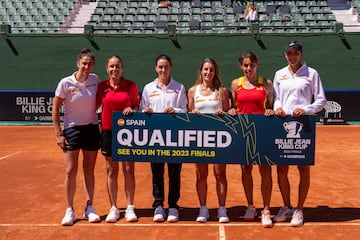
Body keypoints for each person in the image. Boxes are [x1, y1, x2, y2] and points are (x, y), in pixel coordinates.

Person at [272, 41, 327, 227]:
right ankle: (286, 206)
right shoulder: (280, 74)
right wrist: (278, 108)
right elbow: (276, 98)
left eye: (295, 53)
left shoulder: (311, 74)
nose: (292, 56)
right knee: (281, 169)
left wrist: (306, 109)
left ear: (301, 54)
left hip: (304, 125)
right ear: (285, 55)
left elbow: (321, 100)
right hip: (283, 124)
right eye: (289, 53)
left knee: (303, 169)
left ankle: (299, 209)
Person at [52, 48, 101, 226]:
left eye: (90, 64)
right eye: (84, 63)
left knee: (89, 170)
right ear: (77, 63)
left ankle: (89, 207)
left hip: (92, 129)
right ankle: (69, 210)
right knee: (70, 171)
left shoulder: (95, 80)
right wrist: (59, 133)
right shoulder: (65, 83)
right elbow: (56, 109)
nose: (86, 67)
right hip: (71, 130)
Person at [228, 51, 275, 228]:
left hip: (263, 133)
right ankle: (250, 206)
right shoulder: (235, 84)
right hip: (243, 133)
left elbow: (270, 106)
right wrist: (232, 110)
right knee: (246, 170)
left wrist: (270, 111)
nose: (249, 68)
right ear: (242, 66)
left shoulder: (267, 84)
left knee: (265, 172)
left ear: (257, 65)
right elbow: (234, 106)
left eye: (252, 65)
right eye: (245, 65)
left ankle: (267, 210)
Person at [140, 54, 188, 223]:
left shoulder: (179, 87)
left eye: (166, 67)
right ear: (156, 68)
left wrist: (175, 110)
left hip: (175, 137)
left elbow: (184, 109)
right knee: (157, 172)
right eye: (160, 67)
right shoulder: (148, 88)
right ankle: (158, 205)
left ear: (171, 67)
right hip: (155, 138)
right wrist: (146, 113)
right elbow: (143, 110)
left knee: (175, 172)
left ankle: (173, 206)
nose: (163, 70)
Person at [96, 55, 140, 223]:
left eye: (118, 66)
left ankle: (130, 207)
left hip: (128, 132)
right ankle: (113, 207)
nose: (115, 69)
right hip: (108, 131)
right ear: (107, 69)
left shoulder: (131, 86)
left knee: (128, 169)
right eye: (111, 67)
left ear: (122, 68)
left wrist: (131, 108)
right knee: (111, 171)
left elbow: (137, 105)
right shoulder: (102, 87)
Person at [187, 58, 231, 223]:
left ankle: (222, 209)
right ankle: (203, 209)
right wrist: (192, 113)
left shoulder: (222, 91)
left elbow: (229, 112)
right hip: (199, 138)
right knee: (201, 174)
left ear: (215, 72)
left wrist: (224, 112)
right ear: (201, 71)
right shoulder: (192, 91)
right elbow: (188, 113)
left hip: (219, 138)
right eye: (205, 69)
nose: (208, 73)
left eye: (211, 70)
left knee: (220, 174)